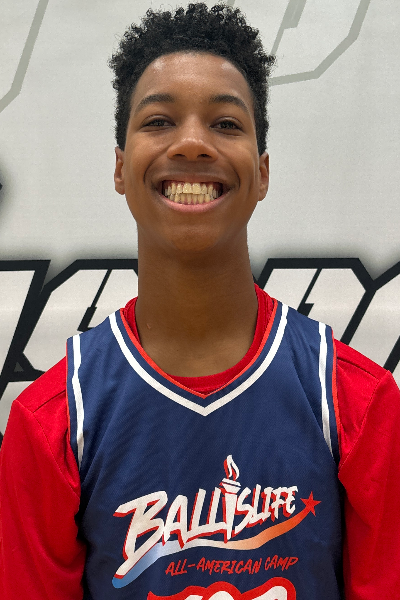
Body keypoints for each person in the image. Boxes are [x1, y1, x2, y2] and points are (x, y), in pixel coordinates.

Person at [1, 3, 399, 599]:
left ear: (262, 173)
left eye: (226, 124)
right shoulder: (52, 424)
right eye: (159, 121)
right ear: (120, 168)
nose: (191, 143)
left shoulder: (358, 405)